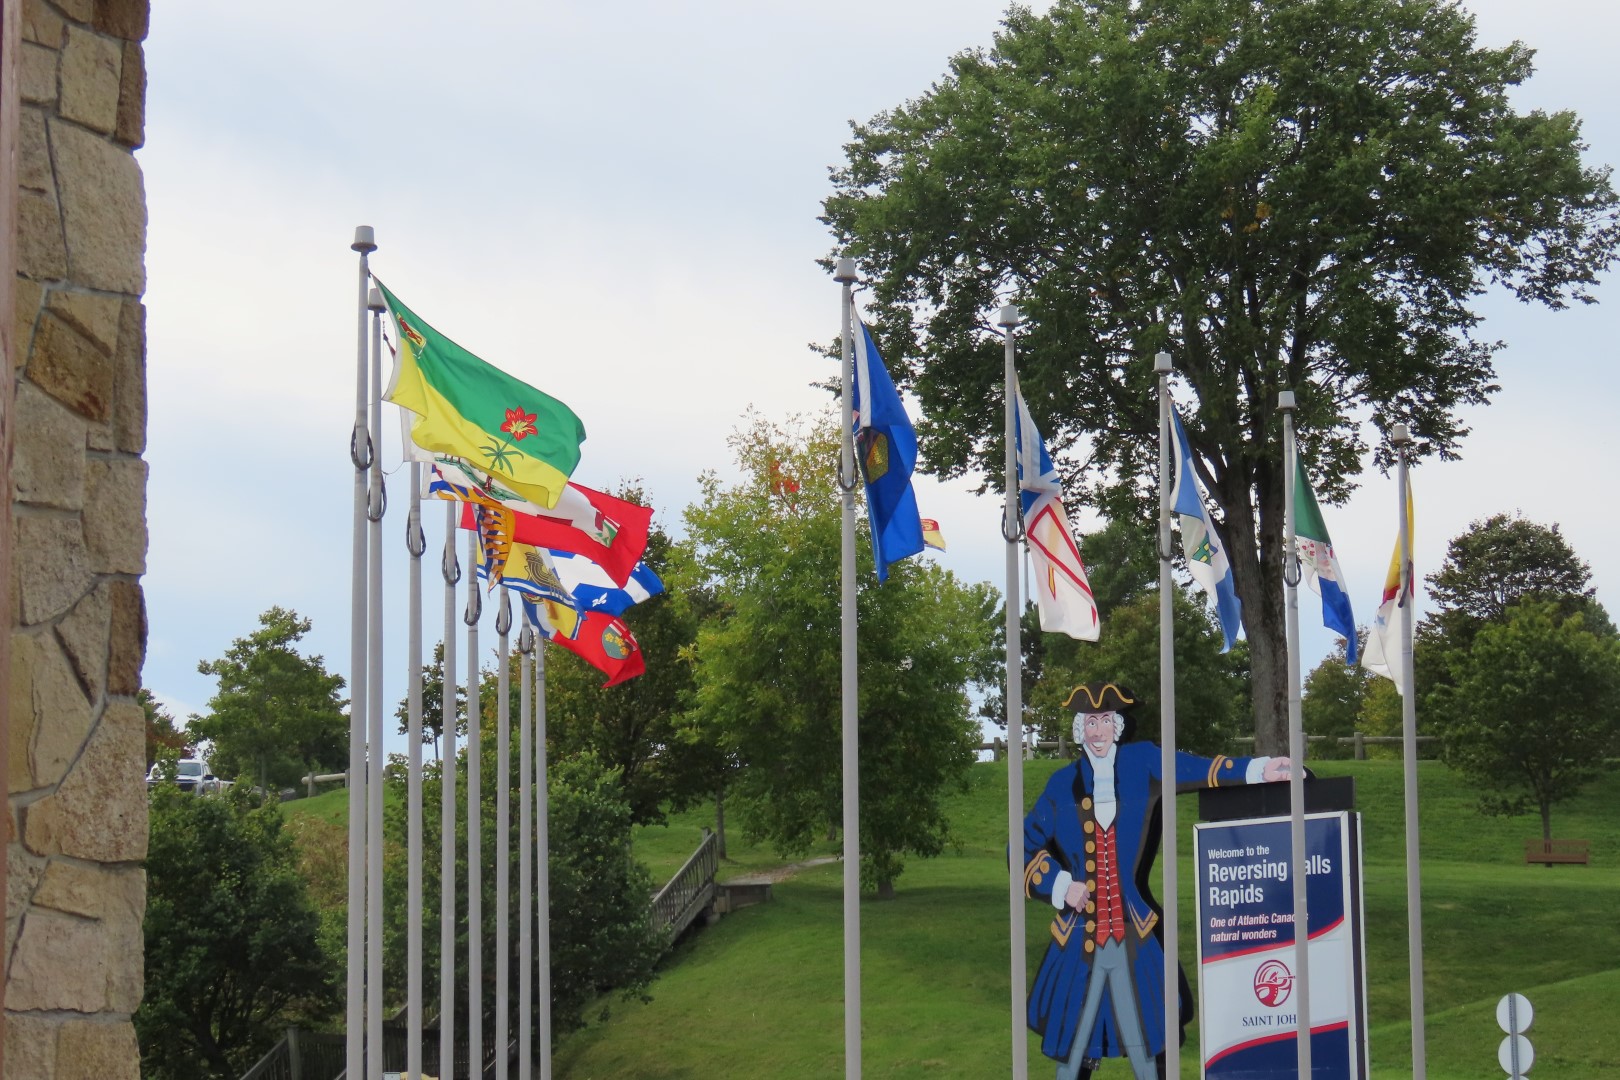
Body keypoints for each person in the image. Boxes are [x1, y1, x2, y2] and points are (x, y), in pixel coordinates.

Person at [1022, 682, 1291, 1080]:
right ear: (1080, 730)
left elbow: (1196, 768)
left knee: (1151, 1036)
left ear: (1117, 726)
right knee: (1076, 1042)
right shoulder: (1061, 786)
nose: (1097, 732)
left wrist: (1258, 769)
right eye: (1089, 723)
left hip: (1134, 930)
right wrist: (1061, 885)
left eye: (1104, 721)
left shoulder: (1141, 763)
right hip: (1078, 938)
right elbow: (1023, 848)